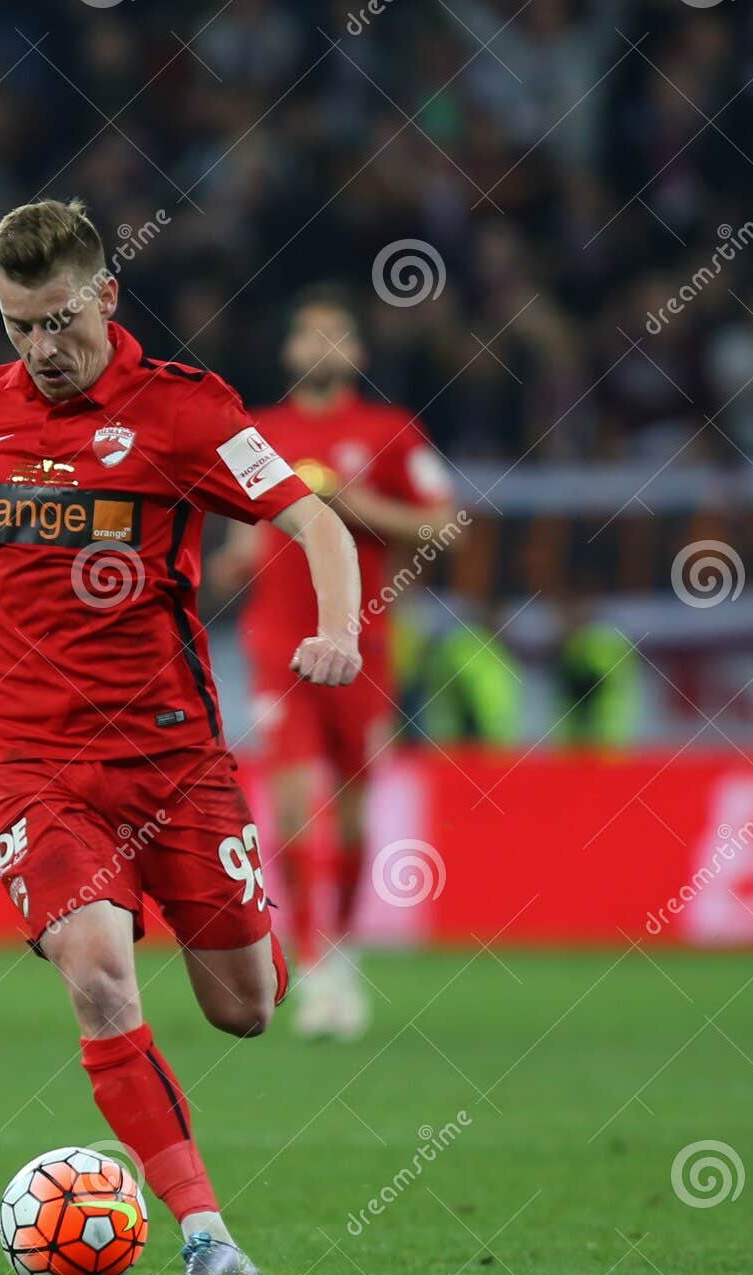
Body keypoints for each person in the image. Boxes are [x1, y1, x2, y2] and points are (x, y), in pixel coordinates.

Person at [0, 200, 363, 1275]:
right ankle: (207, 1236)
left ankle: (241, 936)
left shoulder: (183, 410)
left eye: (58, 321)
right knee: (100, 977)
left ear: (105, 296)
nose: (41, 349)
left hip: (172, 757)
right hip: (32, 761)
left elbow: (314, 523)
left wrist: (339, 629)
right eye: (18, 326)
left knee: (244, 1006)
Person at [212, 288, 454, 1040]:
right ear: (289, 353)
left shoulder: (391, 434)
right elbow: (246, 533)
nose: (319, 348)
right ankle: (308, 958)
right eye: (307, 336)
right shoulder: (260, 432)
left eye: (334, 336)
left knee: (351, 812)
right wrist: (235, 560)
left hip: (363, 645)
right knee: (285, 809)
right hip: (277, 644)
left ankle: (342, 948)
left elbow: (446, 525)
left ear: (356, 353)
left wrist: (356, 509)